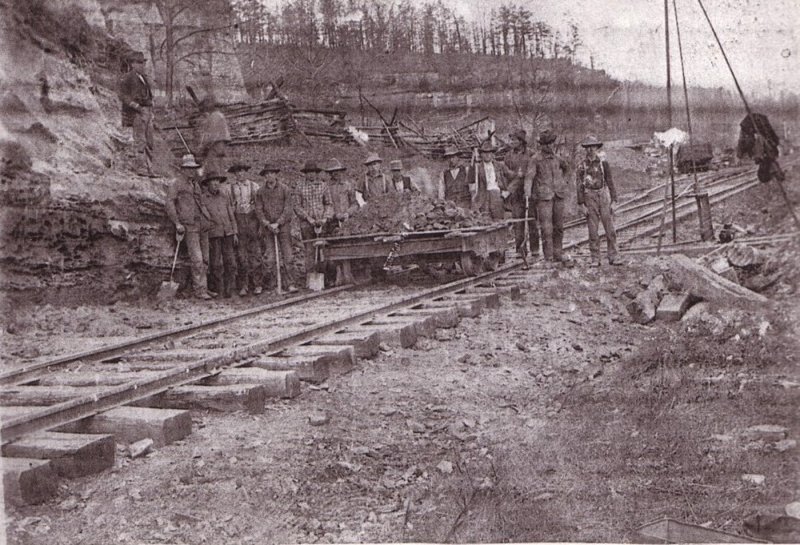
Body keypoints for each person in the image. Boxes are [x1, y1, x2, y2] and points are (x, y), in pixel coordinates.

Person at [164, 154, 214, 299]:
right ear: (183, 169)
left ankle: (204, 287)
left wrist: (208, 218)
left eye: (193, 169)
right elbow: (169, 203)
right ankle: (199, 291)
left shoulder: (195, 184)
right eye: (188, 169)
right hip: (188, 226)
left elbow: (201, 204)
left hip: (201, 225)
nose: (191, 171)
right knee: (197, 259)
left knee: (205, 258)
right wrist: (177, 223)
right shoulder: (176, 184)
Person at [576, 135, 622, 266]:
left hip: (603, 195)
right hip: (589, 197)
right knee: (593, 230)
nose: (591, 149)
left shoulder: (603, 163)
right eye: (588, 147)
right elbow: (579, 185)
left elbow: (610, 182)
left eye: (593, 147)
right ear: (585, 149)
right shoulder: (581, 166)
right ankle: (595, 258)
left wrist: (614, 200)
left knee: (610, 228)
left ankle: (613, 256)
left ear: (597, 147)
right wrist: (581, 204)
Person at [254, 163, 298, 293]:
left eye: (271, 173)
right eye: (267, 174)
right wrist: (267, 224)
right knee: (270, 258)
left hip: (283, 227)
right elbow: (258, 210)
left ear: (275, 174)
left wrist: (278, 223)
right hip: (268, 229)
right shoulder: (260, 192)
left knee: (288, 256)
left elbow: (288, 209)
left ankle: (290, 283)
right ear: (264, 176)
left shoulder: (285, 189)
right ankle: (273, 284)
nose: (269, 176)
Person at [529, 129, 570, 265]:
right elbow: (529, 177)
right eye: (547, 144)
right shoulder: (535, 159)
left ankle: (558, 253)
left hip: (558, 195)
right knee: (546, 228)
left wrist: (563, 182)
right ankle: (548, 257)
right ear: (542, 145)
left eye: (551, 143)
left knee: (559, 226)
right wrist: (527, 192)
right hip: (544, 197)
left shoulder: (558, 158)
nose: (550, 146)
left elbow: (567, 169)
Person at [503, 129, 539, 261]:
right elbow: (505, 173)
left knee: (532, 221)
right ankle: (520, 249)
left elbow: (530, 174)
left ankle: (535, 249)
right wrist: (515, 175)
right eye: (511, 139)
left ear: (521, 141)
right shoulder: (508, 156)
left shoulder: (531, 154)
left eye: (514, 140)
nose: (512, 142)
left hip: (530, 192)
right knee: (518, 222)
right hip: (516, 194)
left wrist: (521, 177)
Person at [228, 164, 264, 296]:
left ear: (246, 173)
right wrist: (234, 230)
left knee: (255, 255)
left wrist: (260, 225)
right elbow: (231, 209)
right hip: (239, 222)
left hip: (253, 221)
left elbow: (260, 208)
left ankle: (258, 284)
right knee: (241, 257)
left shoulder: (254, 187)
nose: (240, 174)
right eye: (237, 172)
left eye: (242, 172)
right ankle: (244, 285)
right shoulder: (231, 188)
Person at [202, 168, 239, 297]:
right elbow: (204, 218)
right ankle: (219, 290)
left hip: (227, 233)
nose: (215, 184)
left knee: (231, 262)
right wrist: (207, 234)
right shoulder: (203, 199)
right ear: (208, 184)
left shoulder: (225, 196)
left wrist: (234, 232)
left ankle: (230, 289)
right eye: (212, 181)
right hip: (214, 235)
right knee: (216, 264)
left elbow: (231, 215)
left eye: (217, 181)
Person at [118, 51, 155, 177]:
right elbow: (122, 95)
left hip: (147, 111)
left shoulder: (143, 78)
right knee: (141, 141)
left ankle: (150, 169)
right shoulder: (128, 77)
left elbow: (148, 95)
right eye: (139, 63)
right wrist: (137, 107)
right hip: (137, 113)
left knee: (150, 141)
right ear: (132, 64)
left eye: (143, 62)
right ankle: (141, 168)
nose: (142, 65)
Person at [294, 161, 333, 277]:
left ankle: (325, 275)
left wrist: (325, 218)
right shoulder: (300, 187)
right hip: (307, 223)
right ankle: (310, 276)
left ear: (316, 173)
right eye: (308, 173)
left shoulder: (323, 185)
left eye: (313, 172)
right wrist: (308, 218)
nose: (311, 175)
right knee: (309, 250)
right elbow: (297, 206)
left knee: (323, 249)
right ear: (305, 174)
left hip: (322, 223)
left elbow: (328, 203)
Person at [325, 158, 358, 285]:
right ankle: (337, 274)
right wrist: (334, 214)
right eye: (333, 172)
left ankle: (348, 272)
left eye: (337, 171)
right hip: (332, 222)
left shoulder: (348, 185)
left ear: (341, 172)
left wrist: (347, 213)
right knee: (335, 248)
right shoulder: (326, 187)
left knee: (348, 246)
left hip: (347, 220)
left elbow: (355, 204)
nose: (335, 174)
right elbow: (325, 204)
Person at [467, 139, 506, 220]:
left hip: (496, 195)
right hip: (483, 196)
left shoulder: (499, 165)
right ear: (481, 154)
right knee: (485, 219)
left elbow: (510, 176)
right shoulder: (477, 167)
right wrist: (474, 199)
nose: (487, 155)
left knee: (498, 219)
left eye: (489, 152)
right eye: (485, 153)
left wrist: (507, 191)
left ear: (492, 154)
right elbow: (471, 183)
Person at [197, 95, 230, 174]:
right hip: (220, 145)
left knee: (211, 166)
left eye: (206, 104)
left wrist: (203, 147)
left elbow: (212, 136)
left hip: (216, 144)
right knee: (218, 165)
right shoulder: (218, 115)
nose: (205, 107)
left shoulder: (215, 116)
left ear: (211, 104)